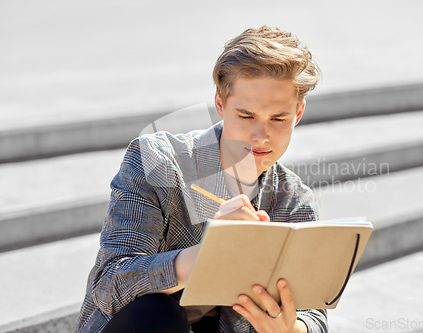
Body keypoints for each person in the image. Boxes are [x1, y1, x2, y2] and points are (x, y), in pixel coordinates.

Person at [75, 25, 327, 333]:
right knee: (156, 313)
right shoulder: (158, 161)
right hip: (144, 325)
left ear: (298, 113)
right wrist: (210, 253)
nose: (261, 136)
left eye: (278, 118)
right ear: (221, 104)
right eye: (246, 116)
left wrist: (291, 329)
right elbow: (110, 285)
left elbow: (313, 313)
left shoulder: (292, 200)